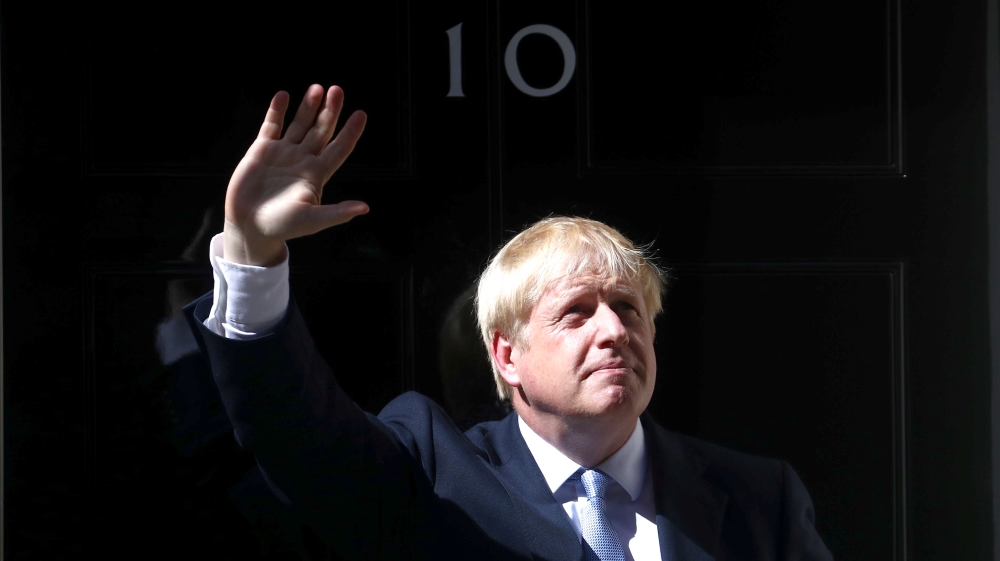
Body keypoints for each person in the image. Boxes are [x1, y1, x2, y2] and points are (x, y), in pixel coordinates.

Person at [184, 84, 834, 560]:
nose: (612, 331)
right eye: (575, 313)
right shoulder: (432, 470)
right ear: (506, 356)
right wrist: (253, 255)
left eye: (629, 308)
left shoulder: (759, 499)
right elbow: (296, 433)